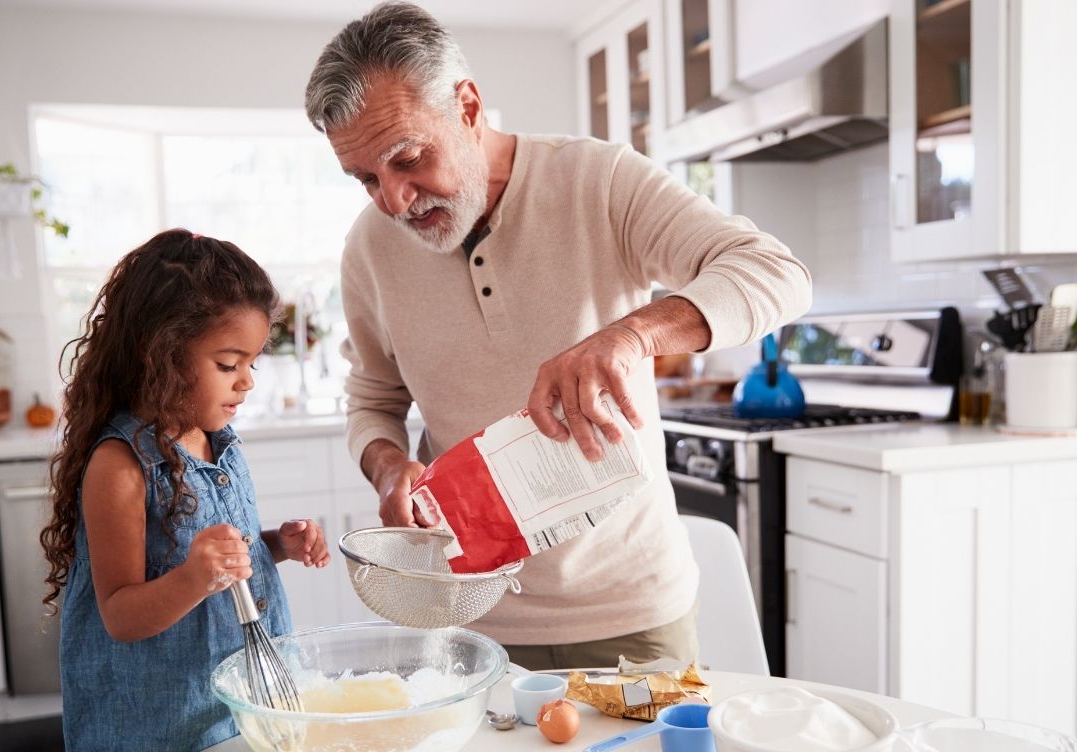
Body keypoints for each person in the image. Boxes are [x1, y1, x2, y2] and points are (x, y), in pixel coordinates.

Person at [304, 3, 811, 670]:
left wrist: (632, 335)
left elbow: (777, 273)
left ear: (468, 106)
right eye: (367, 179)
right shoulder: (369, 249)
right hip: (470, 614)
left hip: (631, 611)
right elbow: (373, 394)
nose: (395, 200)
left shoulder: (597, 181)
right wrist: (387, 464)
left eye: (408, 159)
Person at [40, 229, 331, 751]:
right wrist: (196, 578)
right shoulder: (120, 467)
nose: (246, 382)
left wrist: (274, 547)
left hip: (236, 712)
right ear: (162, 354)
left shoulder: (217, 443)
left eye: (252, 364)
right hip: (156, 727)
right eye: (228, 364)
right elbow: (121, 614)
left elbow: (222, 561)